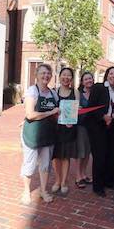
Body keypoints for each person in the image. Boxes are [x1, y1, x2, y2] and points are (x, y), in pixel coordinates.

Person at [20, 64, 59, 204]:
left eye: (48, 73)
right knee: (29, 163)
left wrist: (67, 115)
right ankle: (26, 191)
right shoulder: (32, 91)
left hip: (48, 135)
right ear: (36, 75)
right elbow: (30, 115)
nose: (46, 76)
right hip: (32, 134)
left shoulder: (53, 93)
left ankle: (43, 190)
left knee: (45, 164)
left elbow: (56, 115)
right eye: (43, 73)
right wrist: (50, 113)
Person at [87, 66, 114, 197]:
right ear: (107, 75)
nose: (113, 76)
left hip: (112, 126)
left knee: (111, 155)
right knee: (99, 156)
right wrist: (103, 116)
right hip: (98, 126)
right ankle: (98, 186)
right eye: (111, 73)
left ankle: (108, 181)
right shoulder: (98, 88)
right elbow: (91, 107)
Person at [51, 67, 78, 195]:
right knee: (55, 156)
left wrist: (73, 118)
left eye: (69, 76)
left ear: (71, 79)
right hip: (56, 129)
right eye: (64, 75)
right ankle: (57, 180)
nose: (66, 78)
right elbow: (50, 110)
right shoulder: (54, 92)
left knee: (66, 156)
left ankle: (64, 182)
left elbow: (77, 110)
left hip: (69, 128)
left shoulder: (75, 92)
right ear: (60, 76)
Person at [75, 71, 94, 188]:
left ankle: (83, 174)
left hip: (92, 127)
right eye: (86, 79)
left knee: (87, 152)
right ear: (82, 82)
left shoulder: (95, 93)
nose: (88, 81)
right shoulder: (79, 94)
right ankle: (78, 176)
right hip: (81, 126)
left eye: (90, 78)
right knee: (80, 152)